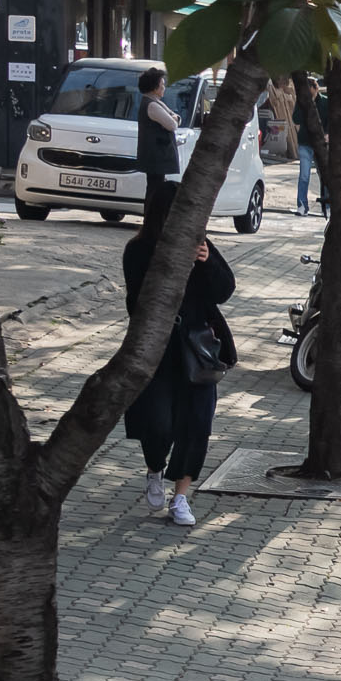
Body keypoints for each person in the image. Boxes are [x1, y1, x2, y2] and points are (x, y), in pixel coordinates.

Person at [122, 185, 236, 528]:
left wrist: (207, 261)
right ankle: (155, 468)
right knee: (157, 424)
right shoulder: (139, 249)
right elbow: (134, 303)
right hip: (157, 348)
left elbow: (224, 290)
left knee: (197, 424)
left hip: (197, 348)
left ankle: (181, 496)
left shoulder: (200, 246)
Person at [136, 67, 181, 202]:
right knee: (155, 189)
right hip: (156, 155)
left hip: (156, 154)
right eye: (162, 85)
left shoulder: (156, 102)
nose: (164, 88)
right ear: (154, 87)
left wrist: (174, 118)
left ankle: (152, 217)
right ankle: (151, 218)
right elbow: (172, 125)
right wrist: (173, 118)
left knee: (155, 187)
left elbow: (176, 117)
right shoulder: (152, 105)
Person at [292, 73, 324, 216]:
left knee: (325, 175)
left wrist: (328, 133)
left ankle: (327, 205)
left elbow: (331, 120)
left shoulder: (325, 103)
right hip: (305, 142)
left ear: (315, 89)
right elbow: (296, 119)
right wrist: (302, 105)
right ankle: (302, 205)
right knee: (304, 175)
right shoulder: (302, 102)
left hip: (321, 143)